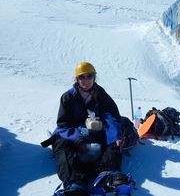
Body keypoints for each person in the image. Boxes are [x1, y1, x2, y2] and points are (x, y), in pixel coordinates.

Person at [41, 62, 129, 196]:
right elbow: (64, 124)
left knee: (112, 141)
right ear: (77, 79)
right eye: (82, 77)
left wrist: (115, 136)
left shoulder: (100, 94)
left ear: (94, 77)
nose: (86, 80)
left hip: (96, 131)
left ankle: (108, 176)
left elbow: (110, 116)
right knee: (61, 144)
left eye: (89, 76)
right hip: (74, 134)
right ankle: (74, 183)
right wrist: (78, 141)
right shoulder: (68, 97)